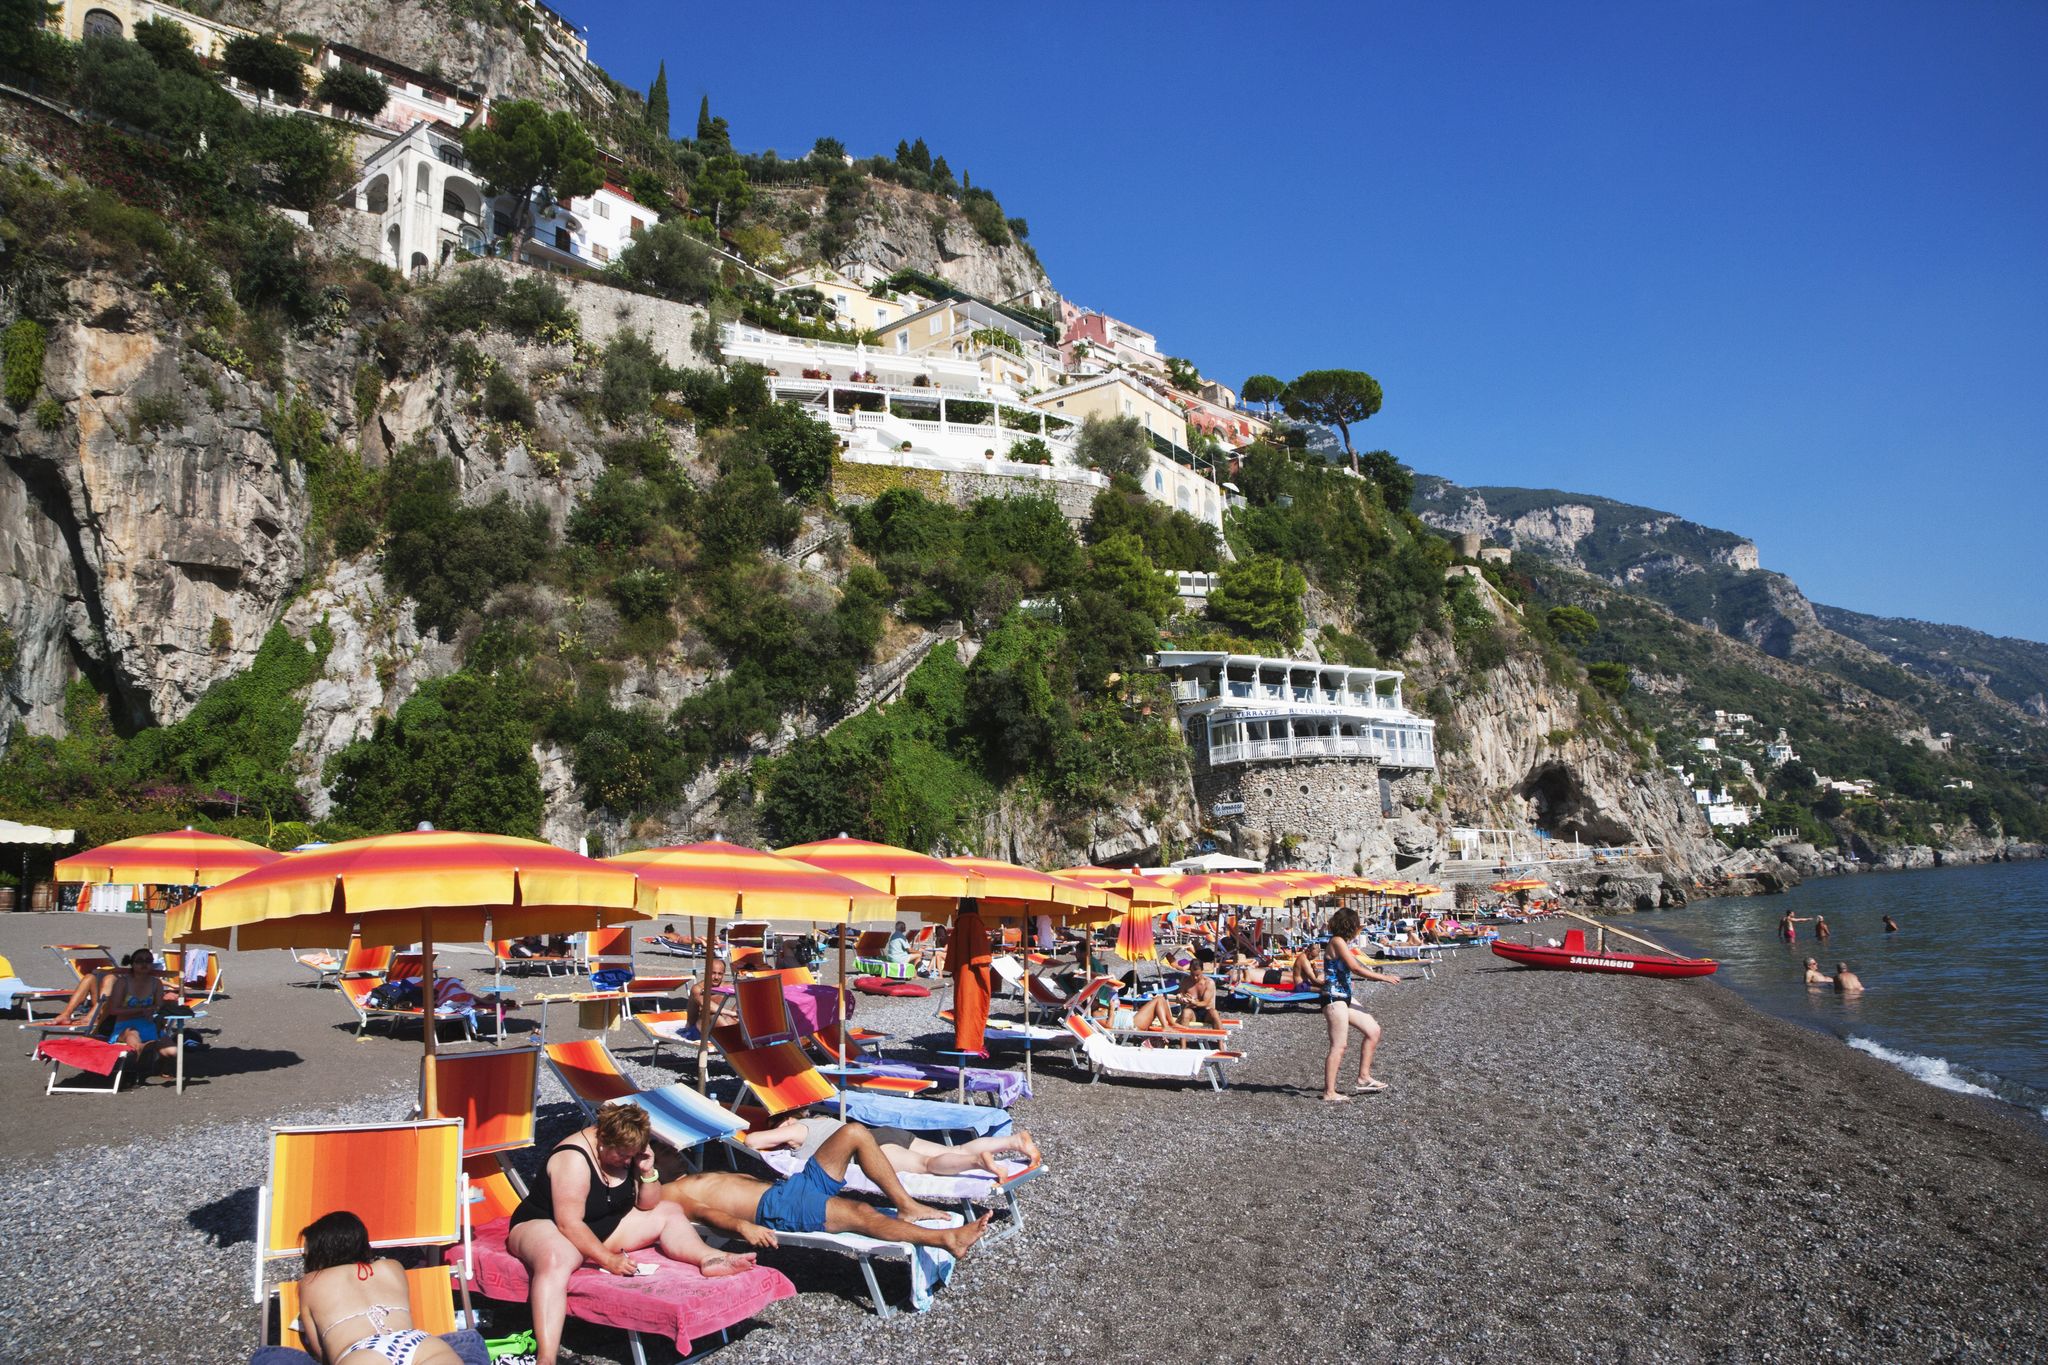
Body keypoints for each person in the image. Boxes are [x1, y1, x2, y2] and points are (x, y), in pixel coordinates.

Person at [508, 1105, 754, 1365]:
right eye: (623, 1155)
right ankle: (546, 1358)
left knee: (669, 1211)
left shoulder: (631, 1151)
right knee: (556, 1259)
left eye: (633, 1155)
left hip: (601, 1224)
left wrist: (648, 1171)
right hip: (546, 1224)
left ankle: (710, 1258)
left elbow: (648, 1204)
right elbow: (569, 1224)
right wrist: (607, 1259)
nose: (627, 1161)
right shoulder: (574, 1159)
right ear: (603, 1140)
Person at [661, 1119, 990, 1257]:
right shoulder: (671, 1193)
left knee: (855, 1132)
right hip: (778, 1208)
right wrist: (741, 1226)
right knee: (859, 1211)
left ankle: (906, 1204)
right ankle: (946, 1239)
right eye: (662, 1151)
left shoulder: (689, 1178)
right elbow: (705, 1214)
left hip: (791, 1187)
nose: (673, 1151)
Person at [292, 1211, 464, 1365]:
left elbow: (320, 1351)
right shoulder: (392, 1267)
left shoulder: (311, 1283)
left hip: (360, 1353)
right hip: (418, 1344)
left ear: (320, 1253)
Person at [743, 1115, 1042, 1178]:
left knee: (926, 1167)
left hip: (872, 1150)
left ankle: (979, 1162)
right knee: (960, 1148)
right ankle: (1014, 1141)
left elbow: (754, 1141)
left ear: (789, 1121)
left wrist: (781, 1135)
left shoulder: (797, 1129)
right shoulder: (823, 1118)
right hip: (885, 1133)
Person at [1318, 908, 1401, 1103]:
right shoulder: (1337, 941)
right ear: (1350, 925)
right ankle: (1329, 1092)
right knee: (1339, 1045)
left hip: (1344, 996)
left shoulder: (1343, 942)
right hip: (1333, 997)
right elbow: (1355, 968)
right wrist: (1383, 977)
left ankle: (1364, 1077)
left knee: (1373, 1030)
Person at [686, 955, 735, 1035]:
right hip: (696, 1030)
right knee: (710, 1013)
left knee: (742, 999)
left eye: (720, 974)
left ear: (724, 974)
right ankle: (731, 1036)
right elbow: (706, 1005)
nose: (716, 977)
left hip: (714, 1027)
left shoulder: (725, 986)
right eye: (713, 973)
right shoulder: (698, 989)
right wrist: (730, 1013)